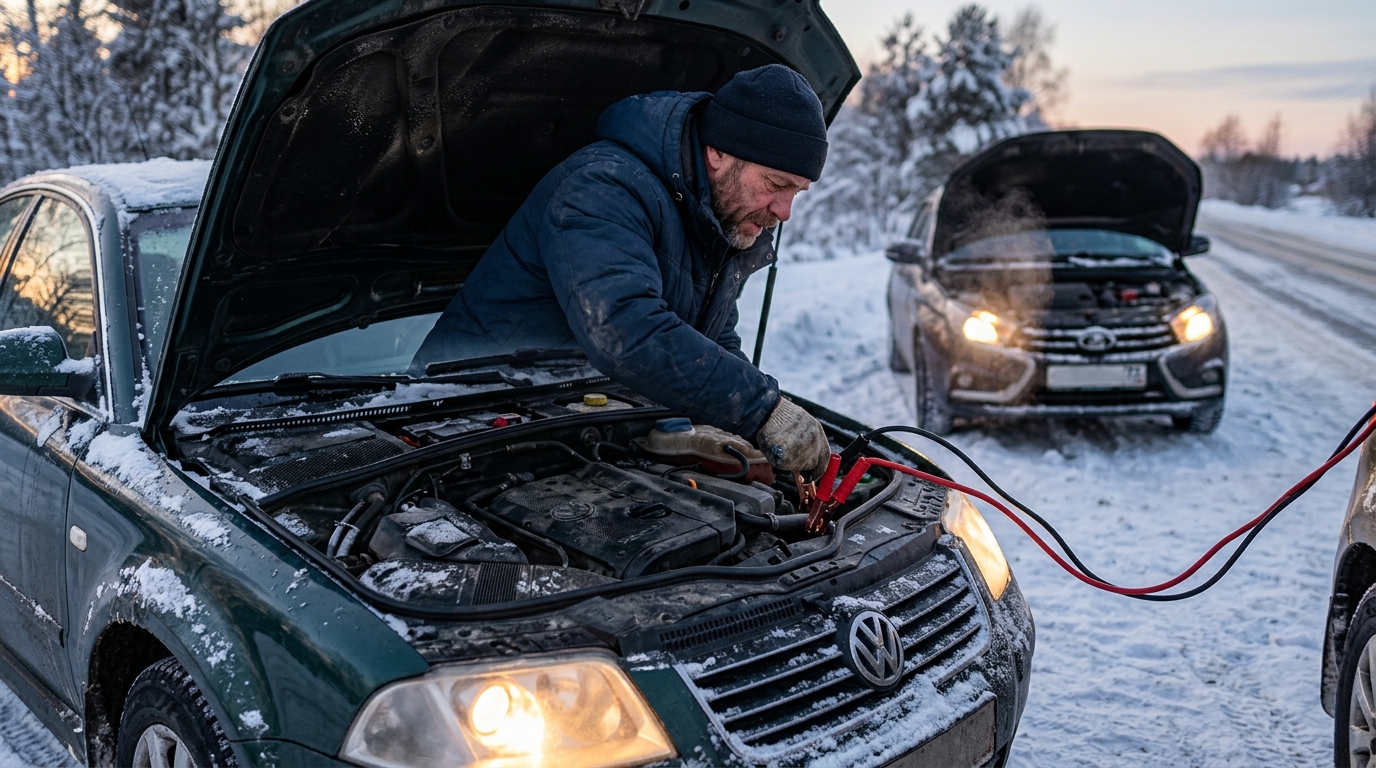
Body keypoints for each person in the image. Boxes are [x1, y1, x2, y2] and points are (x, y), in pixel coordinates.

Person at [412, 65, 831, 476]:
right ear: (717, 152)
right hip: (451, 419)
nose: (785, 211)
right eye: (776, 185)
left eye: (798, 191)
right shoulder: (602, 185)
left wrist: (765, 419)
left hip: (570, 420)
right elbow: (623, 329)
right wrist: (760, 408)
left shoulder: (716, 222)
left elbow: (714, 339)